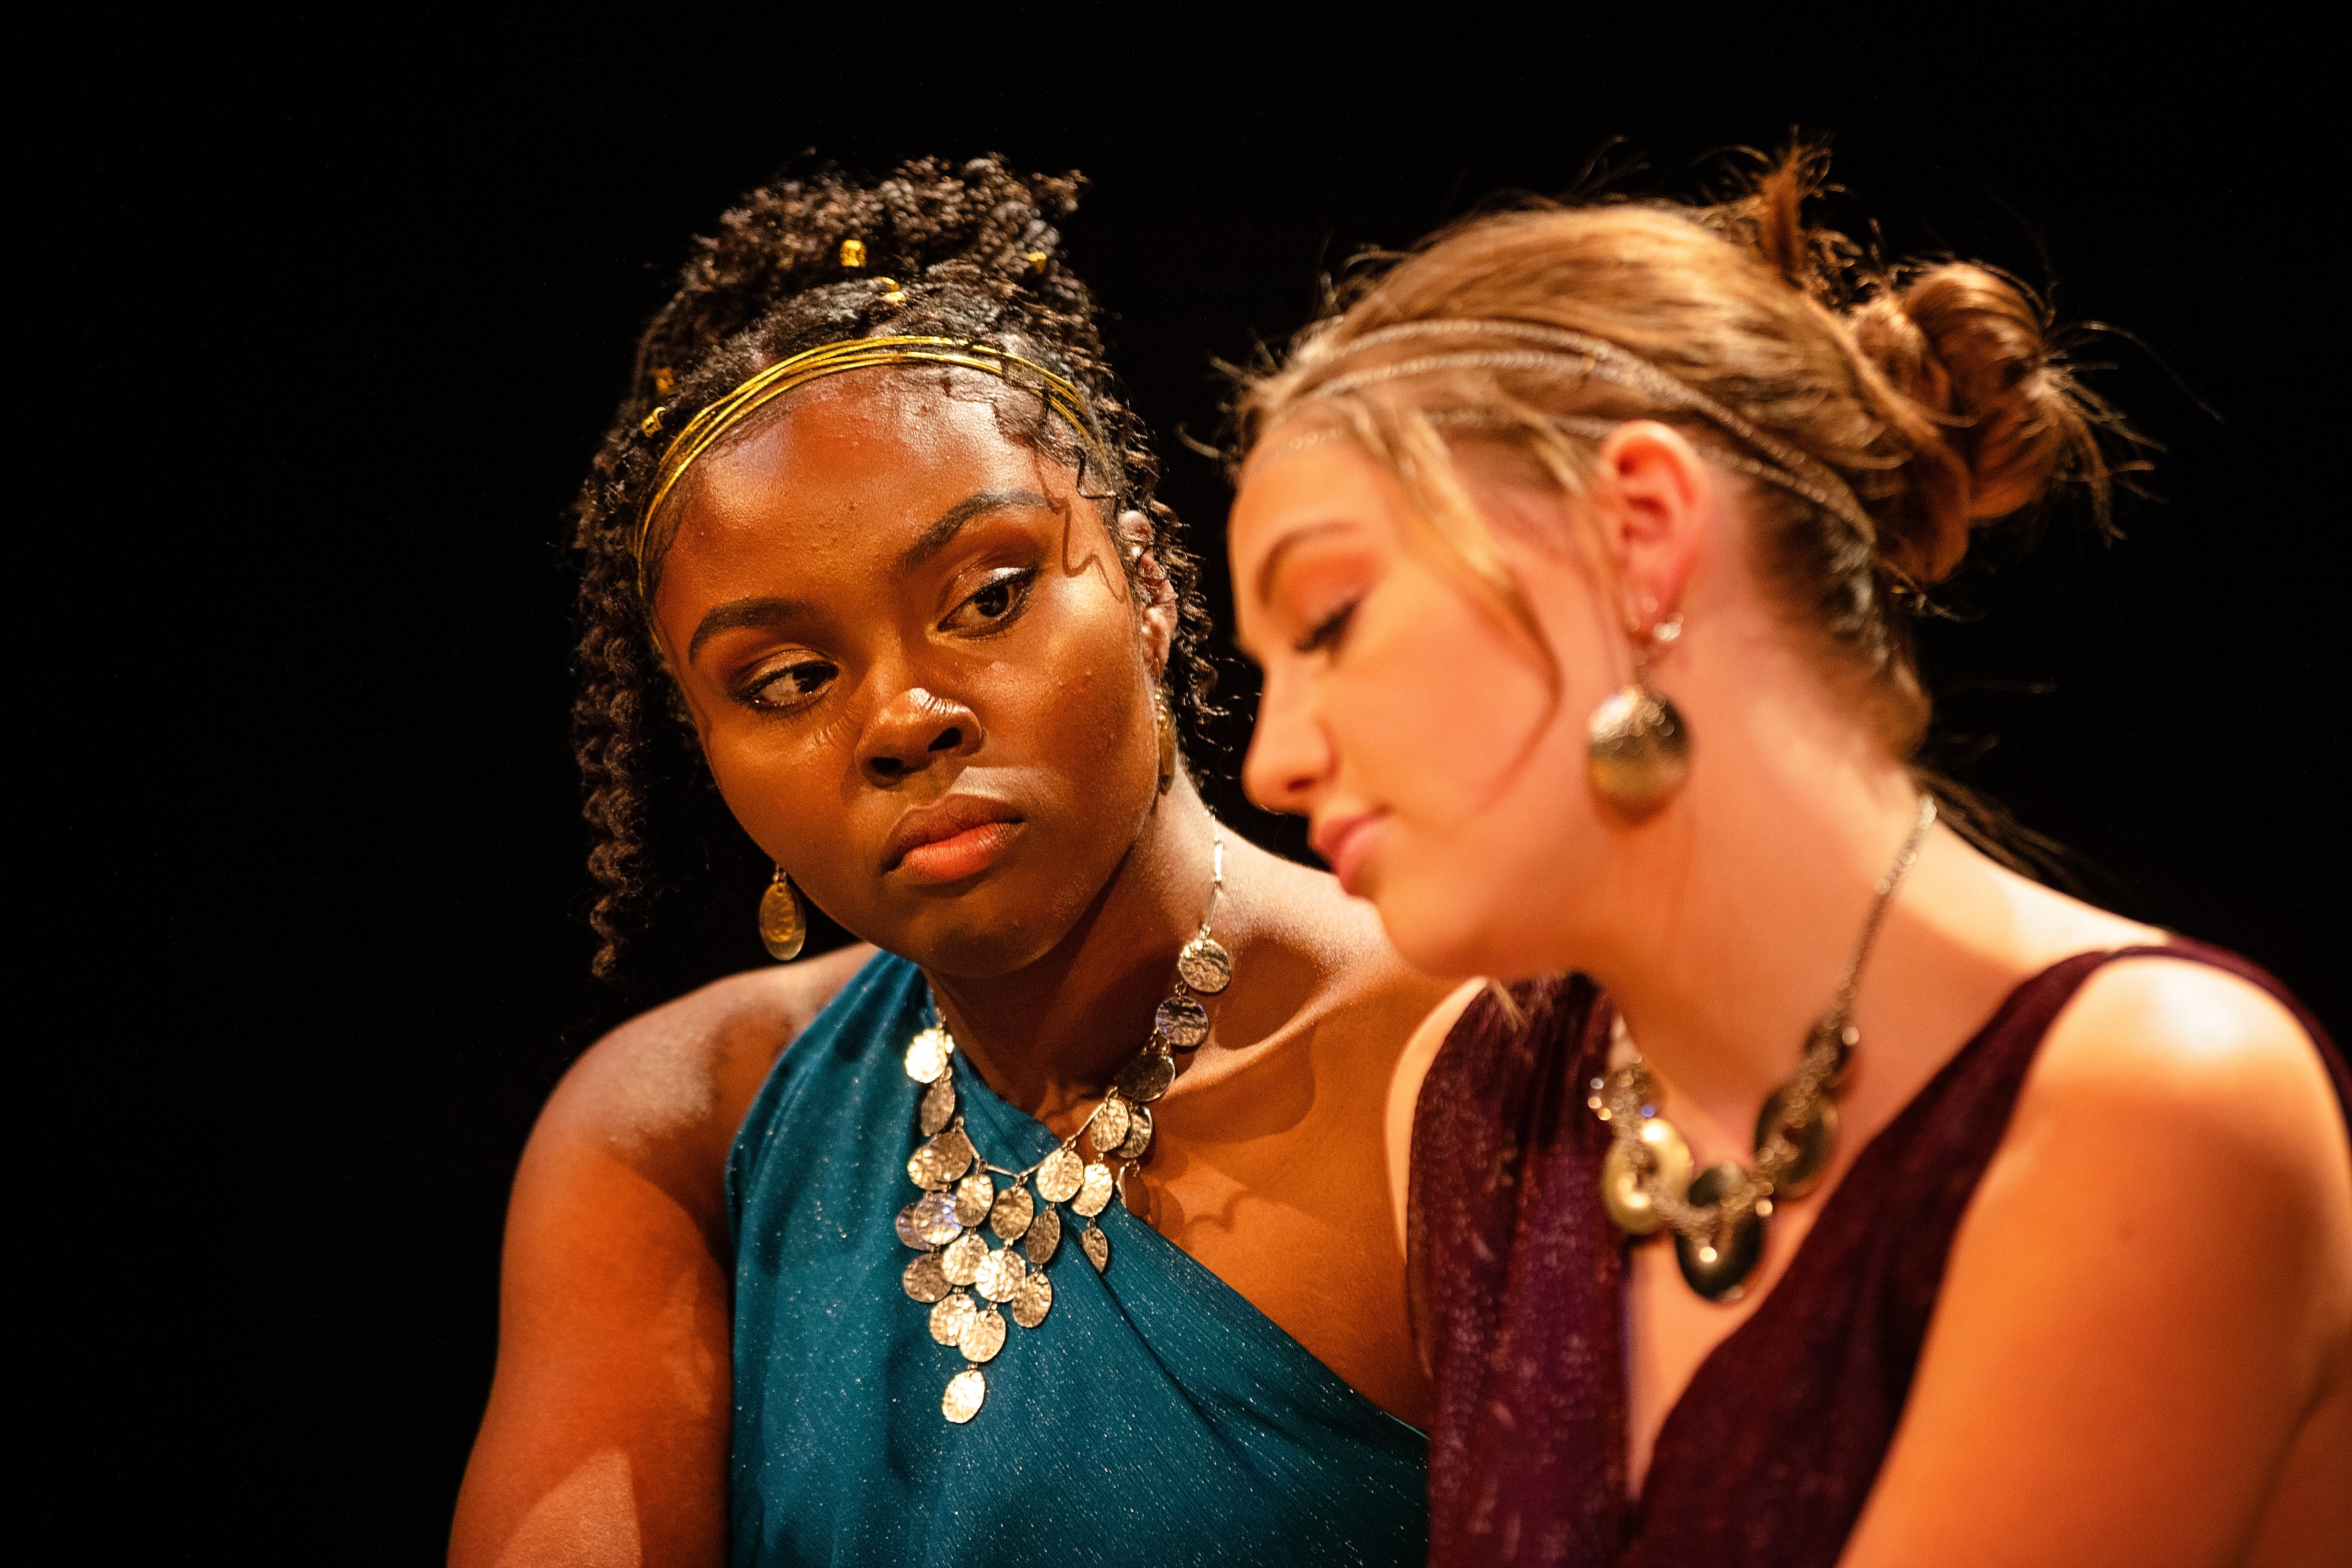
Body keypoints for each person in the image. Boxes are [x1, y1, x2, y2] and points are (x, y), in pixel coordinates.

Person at [1226, 151, 2352, 1567]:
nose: (1273, 761)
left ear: (1641, 533)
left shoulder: (2164, 1100)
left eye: (1329, 621)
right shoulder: (1471, 1100)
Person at [451, 156, 1444, 1568]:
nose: (905, 719)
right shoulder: (680, 1138)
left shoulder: (1466, 1053)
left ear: (1150, 587)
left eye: (988, 595)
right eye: (788, 679)